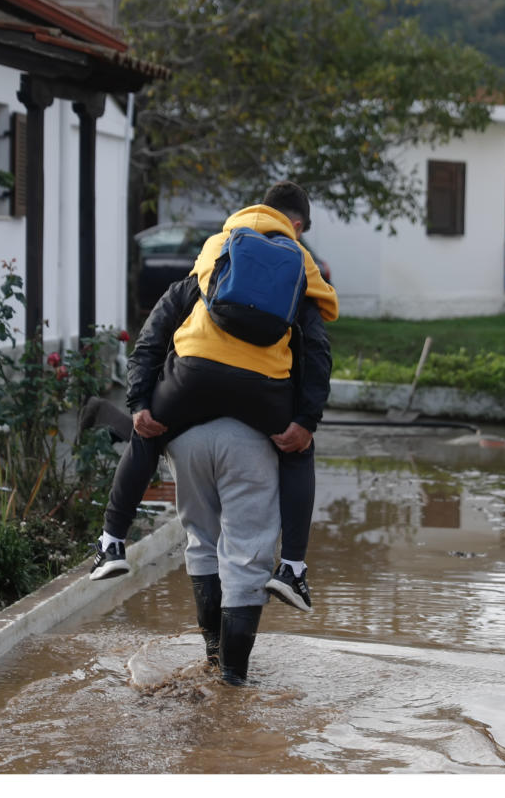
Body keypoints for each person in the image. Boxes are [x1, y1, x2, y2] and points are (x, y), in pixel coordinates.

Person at [91, 182, 337, 615]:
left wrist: (139, 405)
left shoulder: (218, 246)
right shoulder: (300, 261)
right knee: (300, 451)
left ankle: (111, 543)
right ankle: (293, 569)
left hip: (193, 378)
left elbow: (156, 329)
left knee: (146, 433)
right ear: (295, 224)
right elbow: (317, 348)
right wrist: (305, 421)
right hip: (263, 388)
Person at [165, 416, 282, 685]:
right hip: (250, 431)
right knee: (247, 554)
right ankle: (232, 682)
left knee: (201, 539)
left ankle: (214, 660)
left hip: (185, 431)